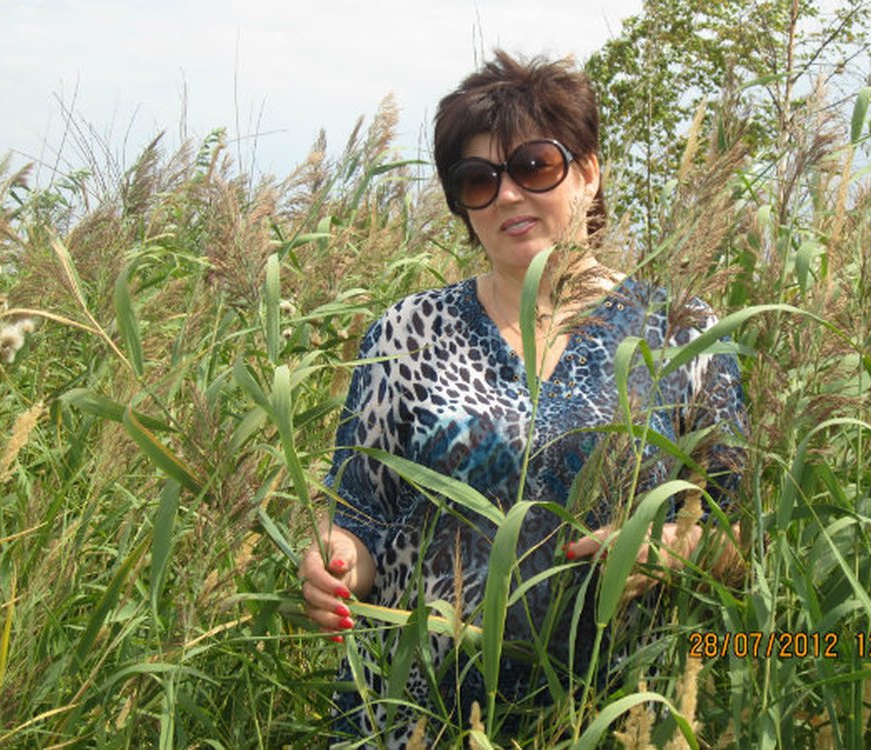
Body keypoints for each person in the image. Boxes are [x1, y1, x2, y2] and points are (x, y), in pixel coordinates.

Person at [299, 50, 748, 747]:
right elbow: (359, 518)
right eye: (478, 180)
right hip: (421, 718)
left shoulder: (682, 332)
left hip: (616, 715)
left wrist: (675, 549)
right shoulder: (406, 334)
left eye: (535, 166)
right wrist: (331, 566)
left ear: (589, 172)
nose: (507, 195)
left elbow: (737, 536)